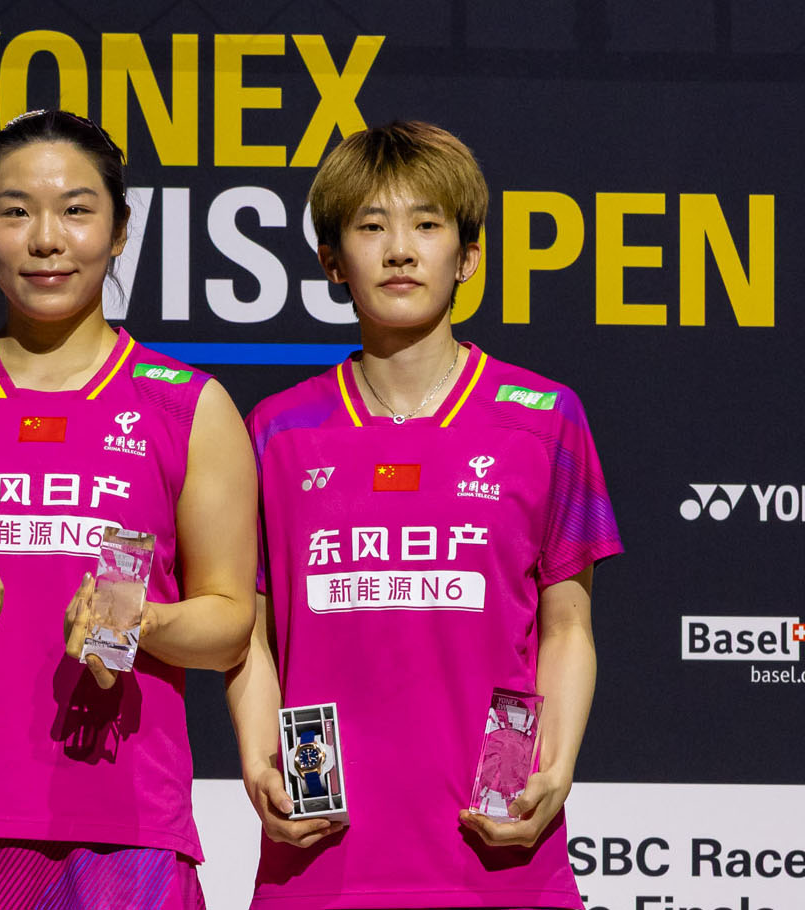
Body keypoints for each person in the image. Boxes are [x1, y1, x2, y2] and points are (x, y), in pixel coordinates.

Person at [0, 109, 258, 909]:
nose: (46, 239)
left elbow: (231, 621)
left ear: (121, 230)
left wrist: (141, 620)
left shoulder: (189, 407)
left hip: (126, 825)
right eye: (15, 211)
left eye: (76, 210)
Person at [226, 120, 621, 908]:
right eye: (372, 227)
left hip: (498, 851)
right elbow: (251, 635)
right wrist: (259, 760)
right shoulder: (276, 430)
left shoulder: (545, 418)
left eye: (427, 225)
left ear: (468, 256)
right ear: (332, 261)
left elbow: (567, 628)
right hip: (322, 855)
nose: (400, 251)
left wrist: (555, 766)